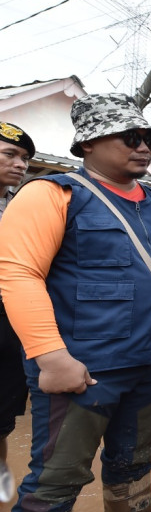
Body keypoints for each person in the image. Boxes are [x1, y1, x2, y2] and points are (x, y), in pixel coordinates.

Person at [0, 93, 151, 512]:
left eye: (150, 138)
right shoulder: (52, 194)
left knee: (135, 463)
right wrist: (51, 355)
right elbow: (18, 274)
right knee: (56, 481)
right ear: (88, 142)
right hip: (82, 372)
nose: (144, 146)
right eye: (131, 137)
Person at [0, 122, 35, 462]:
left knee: (1, 420)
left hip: (10, 321)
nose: (21, 164)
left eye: (24, 157)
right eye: (10, 154)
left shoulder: (22, 204)